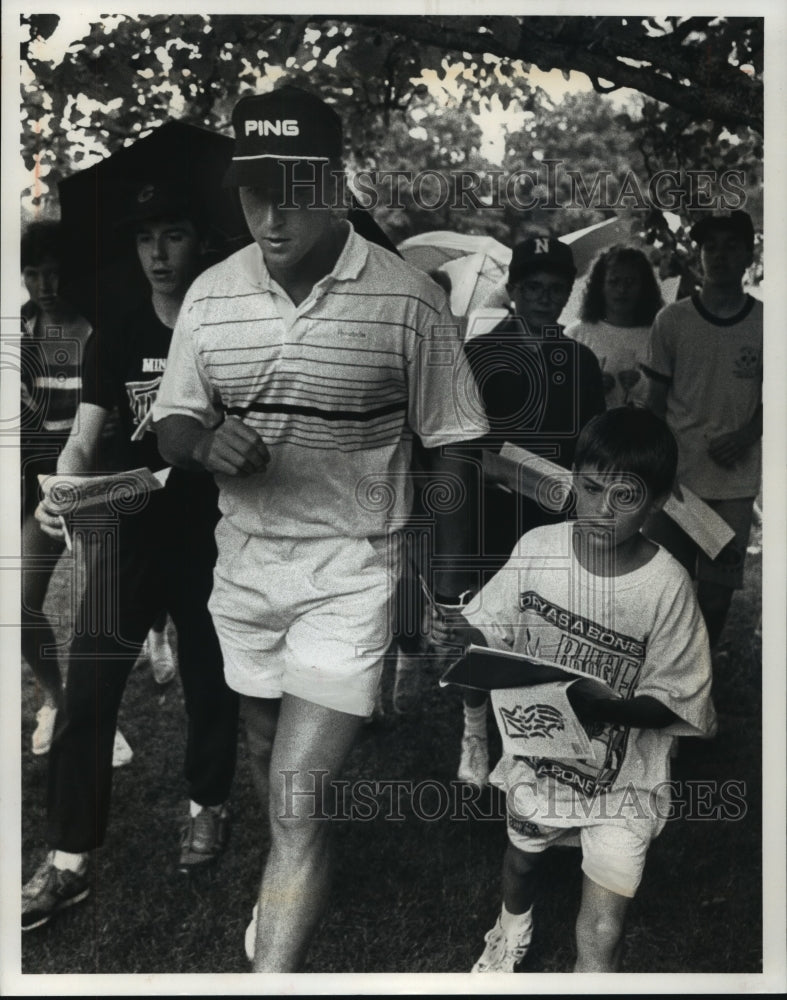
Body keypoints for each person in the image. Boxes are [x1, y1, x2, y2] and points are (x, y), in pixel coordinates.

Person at [152, 84, 486, 972]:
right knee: (268, 755)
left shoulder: (407, 300)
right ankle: (289, 868)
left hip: (355, 570)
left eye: (294, 188)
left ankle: (274, 964)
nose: (271, 214)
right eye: (254, 192)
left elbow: (455, 444)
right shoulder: (210, 298)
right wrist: (202, 442)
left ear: (334, 184)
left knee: (297, 801)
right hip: (246, 570)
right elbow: (172, 419)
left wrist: (443, 585)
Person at [22, 180, 239, 932]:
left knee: (212, 684)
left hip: (213, 537)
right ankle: (69, 858)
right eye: (145, 237)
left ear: (200, 242)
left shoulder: (226, 327)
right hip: (127, 534)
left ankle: (206, 804)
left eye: (173, 234)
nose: (157, 252)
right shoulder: (113, 331)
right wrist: (62, 491)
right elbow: (84, 436)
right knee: (86, 694)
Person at [431, 407, 716, 973]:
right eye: (590, 489)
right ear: (572, 480)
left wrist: (604, 704)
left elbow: (681, 699)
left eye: (625, 498)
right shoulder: (540, 548)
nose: (602, 511)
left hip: (625, 785)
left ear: (658, 503)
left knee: (605, 926)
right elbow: (493, 626)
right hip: (540, 764)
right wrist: (459, 633)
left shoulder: (666, 587)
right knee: (522, 863)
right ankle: (511, 926)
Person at [456, 236, 606, 789]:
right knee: (484, 630)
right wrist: (502, 472)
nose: (545, 299)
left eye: (556, 289)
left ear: (568, 293)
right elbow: (455, 444)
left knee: (545, 631)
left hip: (555, 518)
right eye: (534, 288)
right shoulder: (478, 354)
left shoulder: (582, 360)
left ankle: (527, 745)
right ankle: (474, 731)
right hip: (492, 516)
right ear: (514, 291)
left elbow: (592, 443)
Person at [641, 210, 762, 650]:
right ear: (700, 254)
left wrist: (749, 433)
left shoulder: (767, 322)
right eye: (712, 246)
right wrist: (658, 470)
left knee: (715, 596)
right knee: (664, 589)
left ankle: (698, 678)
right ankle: (658, 676)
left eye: (733, 245)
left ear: (750, 254)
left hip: (733, 485)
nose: (721, 255)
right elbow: (653, 407)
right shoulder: (672, 321)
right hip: (676, 482)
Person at [20, 221, 93, 755]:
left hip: (95, 478)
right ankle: (58, 701)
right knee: (20, 605)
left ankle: (157, 636)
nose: (45, 285)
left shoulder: (100, 330)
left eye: (53, 273)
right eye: (33, 274)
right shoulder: (18, 332)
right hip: (37, 487)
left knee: (110, 604)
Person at [564, 244, 663, 408]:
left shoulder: (659, 336)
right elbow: (558, 394)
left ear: (644, 287)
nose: (622, 289)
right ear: (599, 286)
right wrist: (589, 386)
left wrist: (642, 385)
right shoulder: (575, 335)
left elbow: (670, 398)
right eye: (613, 281)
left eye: (630, 282)